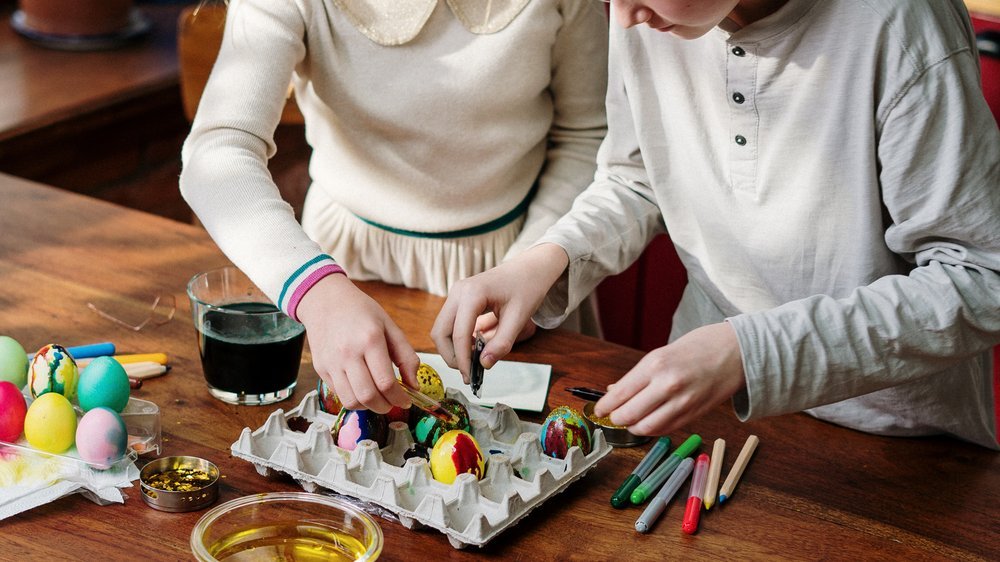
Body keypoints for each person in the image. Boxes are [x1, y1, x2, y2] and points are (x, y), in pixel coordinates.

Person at [433, 0, 1000, 449]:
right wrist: (547, 258)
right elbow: (639, 176)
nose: (622, 16)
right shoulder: (645, 13)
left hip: (891, 434)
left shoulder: (901, 26)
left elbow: (981, 278)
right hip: (702, 403)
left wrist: (748, 353)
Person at [180, 0, 609, 412]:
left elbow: (585, 136)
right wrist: (319, 294)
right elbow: (215, 154)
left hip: (520, 269)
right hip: (339, 276)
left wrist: (534, 267)